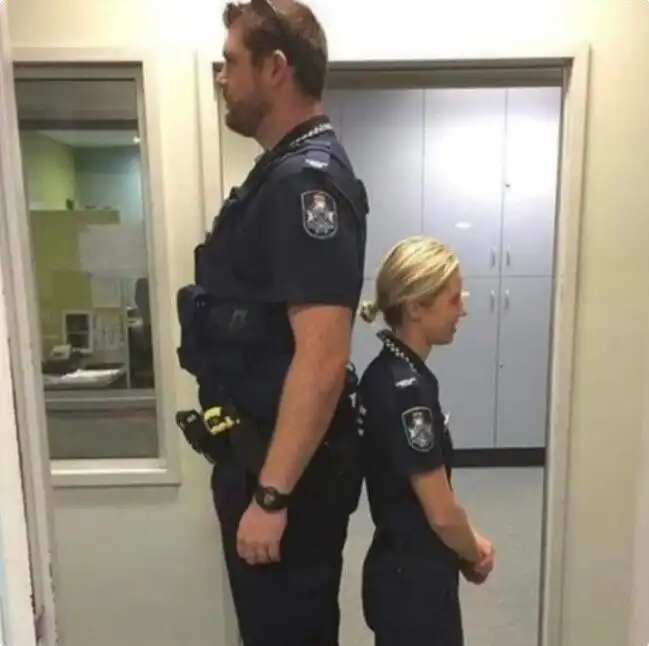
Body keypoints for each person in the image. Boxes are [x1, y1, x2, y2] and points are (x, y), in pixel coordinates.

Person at [174, 1, 368, 645]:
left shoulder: (305, 184)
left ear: (276, 68)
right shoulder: (275, 176)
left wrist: (272, 497)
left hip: (287, 483)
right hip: (261, 463)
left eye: (231, 62)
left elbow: (323, 356)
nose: (221, 77)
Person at [356, 236, 495, 646]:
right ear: (415, 307)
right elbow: (440, 513)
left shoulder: (385, 371)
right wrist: (474, 551)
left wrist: (463, 545)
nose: (462, 311)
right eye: (452, 300)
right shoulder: (408, 391)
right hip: (414, 582)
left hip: (400, 566)